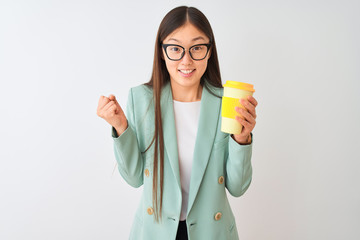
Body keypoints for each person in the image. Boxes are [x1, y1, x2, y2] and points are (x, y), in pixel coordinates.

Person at [97, 6, 258, 240]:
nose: (186, 60)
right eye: (175, 48)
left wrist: (242, 139)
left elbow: (238, 187)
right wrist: (121, 127)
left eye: (197, 48)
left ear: (209, 51)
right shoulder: (141, 99)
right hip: (156, 232)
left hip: (212, 233)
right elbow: (134, 178)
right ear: (162, 52)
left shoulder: (228, 101)